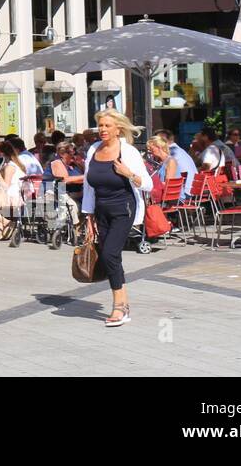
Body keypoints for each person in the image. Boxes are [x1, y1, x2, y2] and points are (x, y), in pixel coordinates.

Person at [81, 110, 152, 327]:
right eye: (100, 125)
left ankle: (119, 307)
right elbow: (88, 185)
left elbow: (148, 184)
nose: (102, 129)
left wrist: (128, 173)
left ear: (118, 128)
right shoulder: (93, 149)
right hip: (101, 210)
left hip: (123, 209)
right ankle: (124, 304)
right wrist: (88, 216)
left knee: (111, 254)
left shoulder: (128, 152)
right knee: (108, 256)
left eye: (107, 126)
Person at [0, 139, 28, 241]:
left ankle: (5, 223)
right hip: (18, 195)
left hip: (12, 197)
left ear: (3, 153)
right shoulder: (17, 165)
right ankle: (2, 229)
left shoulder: (10, 167)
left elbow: (5, 185)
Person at [149, 129, 197, 195]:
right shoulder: (178, 150)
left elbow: (168, 184)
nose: (149, 151)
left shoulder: (172, 154)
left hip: (183, 193)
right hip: (189, 189)